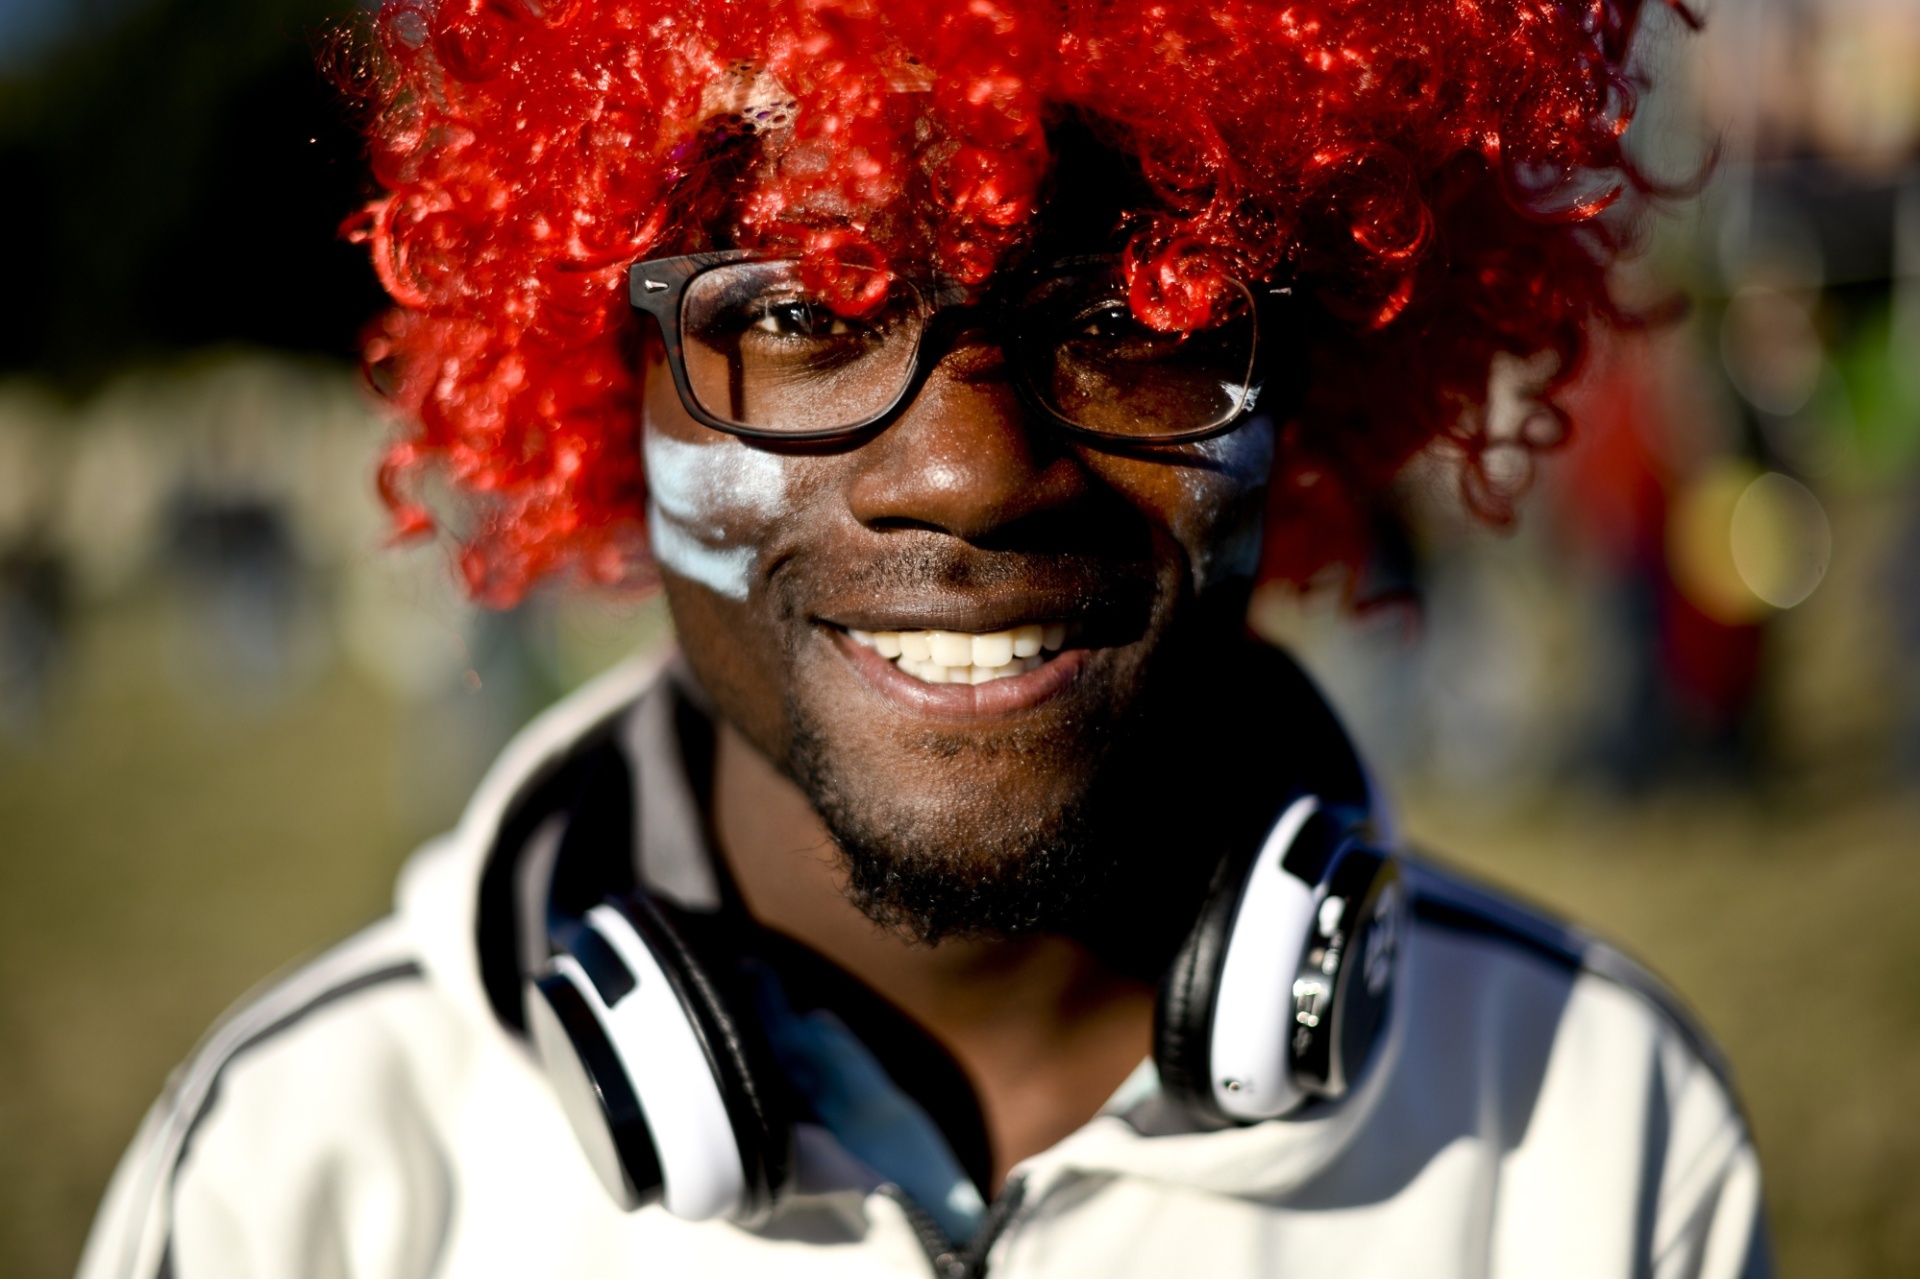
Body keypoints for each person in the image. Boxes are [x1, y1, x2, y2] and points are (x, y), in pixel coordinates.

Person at [80, 1, 1769, 1276]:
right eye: (803, 311)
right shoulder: (298, 1182)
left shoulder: (1595, 1129)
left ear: (1317, 376)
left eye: (1138, 313)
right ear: (610, 378)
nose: (968, 473)